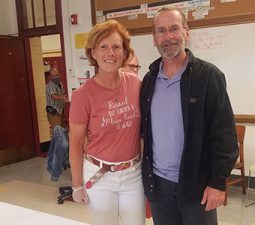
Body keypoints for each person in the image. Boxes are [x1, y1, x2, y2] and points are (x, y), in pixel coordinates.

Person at [140, 7, 239, 225]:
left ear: (187, 32)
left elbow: (225, 136)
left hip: (198, 186)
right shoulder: (148, 81)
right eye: (161, 31)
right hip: (159, 187)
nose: (168, 37)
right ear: (154, 39)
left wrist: (218, 182)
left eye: (174, 28)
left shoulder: (208, 76)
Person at [69, 19, 145, 225]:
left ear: (124, 53)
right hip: (99, 175)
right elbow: (76, 143)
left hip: (133, 174)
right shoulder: (82, 95)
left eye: (116, 47)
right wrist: (77, 186)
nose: (110, 53)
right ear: (93, 53)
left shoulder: (136, 84)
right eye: (103, 47)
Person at [45, 67, 68, 134]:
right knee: (57, 132)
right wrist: (62, 98)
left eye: (57, 75)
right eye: (53, 76)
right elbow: (53, 95)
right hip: (53, 112)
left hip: (61, 111)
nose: (56, 77)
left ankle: (64, 144)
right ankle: (57, 144)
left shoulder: (60, 84)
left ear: (59, 74)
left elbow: (63, 94)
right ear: (50, 77)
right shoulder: (50, 85)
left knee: (63, 130)